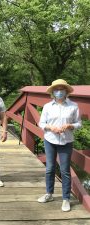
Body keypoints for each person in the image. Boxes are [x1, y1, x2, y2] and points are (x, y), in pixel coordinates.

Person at [38, 79, 81, 212]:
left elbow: (79, 123)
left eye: (62, 89)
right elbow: (41, 123)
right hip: (50, 140)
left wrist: (70, 126)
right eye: (57, 89)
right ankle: (49, 194)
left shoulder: (74, 106)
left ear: (66, 91)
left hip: (66, 141)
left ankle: (66, 199)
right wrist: (50, 128)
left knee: (65, 171)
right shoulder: (47, 106)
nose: (59, 91)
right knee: (50, 168)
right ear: (53, 92)